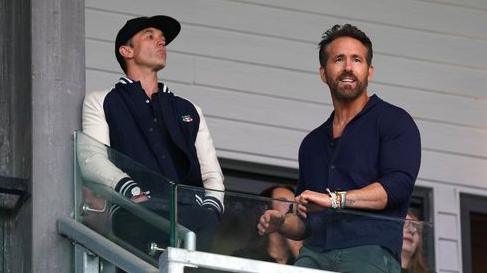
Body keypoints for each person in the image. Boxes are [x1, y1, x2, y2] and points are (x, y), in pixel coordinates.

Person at [258, 24, 421, 273]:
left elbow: (397, 187)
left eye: (357, 59)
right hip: (313, 254)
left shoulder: (394, 121)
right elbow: (306, 221)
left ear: (369, 71)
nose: (348, 67)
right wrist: (282, 223)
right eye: (339, 59)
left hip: (368, 253)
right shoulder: (312, 143)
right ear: (324, 73)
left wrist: (335, 200)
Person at [79, 15, 225, 258]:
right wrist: (130, 192)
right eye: (150, 36)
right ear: (126, 50)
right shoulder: (102, 100)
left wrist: (210, 210)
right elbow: (91, 159)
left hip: (191, 214)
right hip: (134, 212)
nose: (161, 43)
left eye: (163, 39)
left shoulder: (189, 109)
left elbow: (211, 173)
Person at [233, 186, 302, 264]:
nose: (291, 207)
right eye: (283, 201)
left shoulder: (298, 255)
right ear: (265, 208)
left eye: (293, 203)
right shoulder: (245, 258)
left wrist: (296, 248)